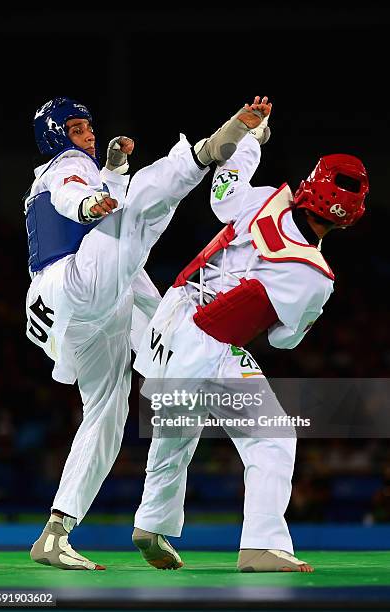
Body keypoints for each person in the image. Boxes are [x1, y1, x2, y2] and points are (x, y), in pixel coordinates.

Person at [25, 95, 270, 570]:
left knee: (120, 407)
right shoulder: (65, 165)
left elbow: (102, 201)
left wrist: (113, 174)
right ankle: (201, 155)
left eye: (88, 128)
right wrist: (95, 197)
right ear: (58, 137)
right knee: (137, 213)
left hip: (78, 306)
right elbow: (75, 193)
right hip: (74, 280)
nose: (88, 136)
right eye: (77, 129)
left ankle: (59, 530)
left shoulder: (83, 175)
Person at [131, 96, 369, 572]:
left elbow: (223, 188)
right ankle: (261, 545)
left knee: (180, 425)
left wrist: (249, 137)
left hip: (169, 315)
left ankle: (152, 521)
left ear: (309, 186)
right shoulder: (313, 275)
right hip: (207, 340)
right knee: (273, 436)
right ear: (352, 214)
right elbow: (285, 340)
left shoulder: (265, 199)